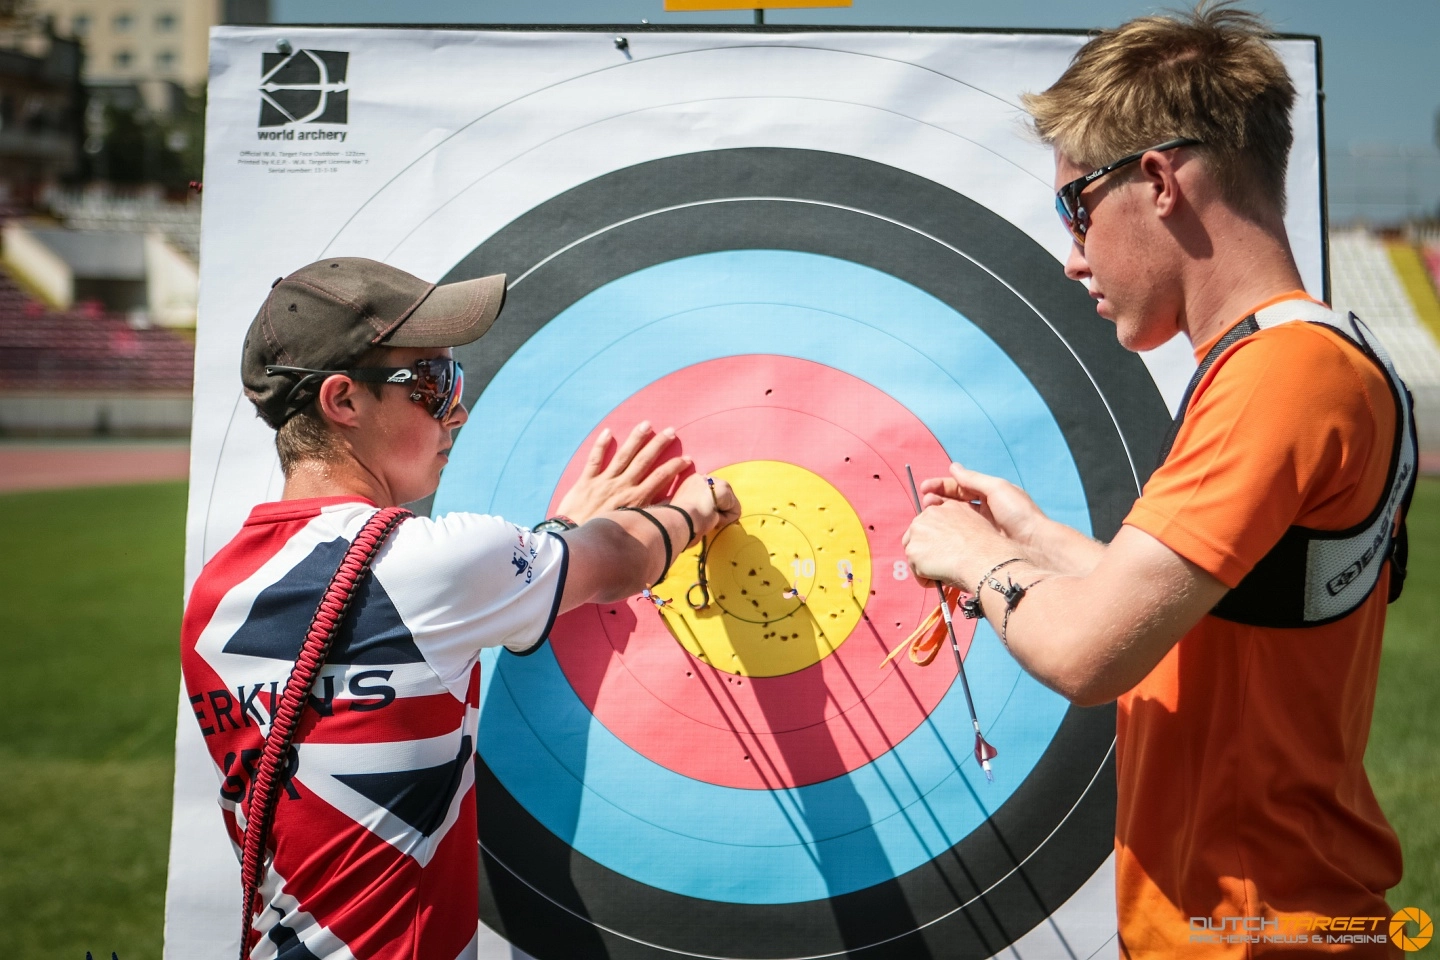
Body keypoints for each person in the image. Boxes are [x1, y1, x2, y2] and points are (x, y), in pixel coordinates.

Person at [902, 5, 1416, 957]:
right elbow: (1210, 612)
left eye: (1075, 208)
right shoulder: (1302, 360)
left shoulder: (1281, 376)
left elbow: (1095, 655)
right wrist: (1034, 541)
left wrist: (976, 561)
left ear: (1156, 181)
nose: (1072, 253)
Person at [179, 257, 740, 959]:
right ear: (343, 401)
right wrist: (694, 510)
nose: (458, 410)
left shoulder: (214, 598)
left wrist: (552, 546)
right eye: (432, 384)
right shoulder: (431, 565)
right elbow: (620, 562)